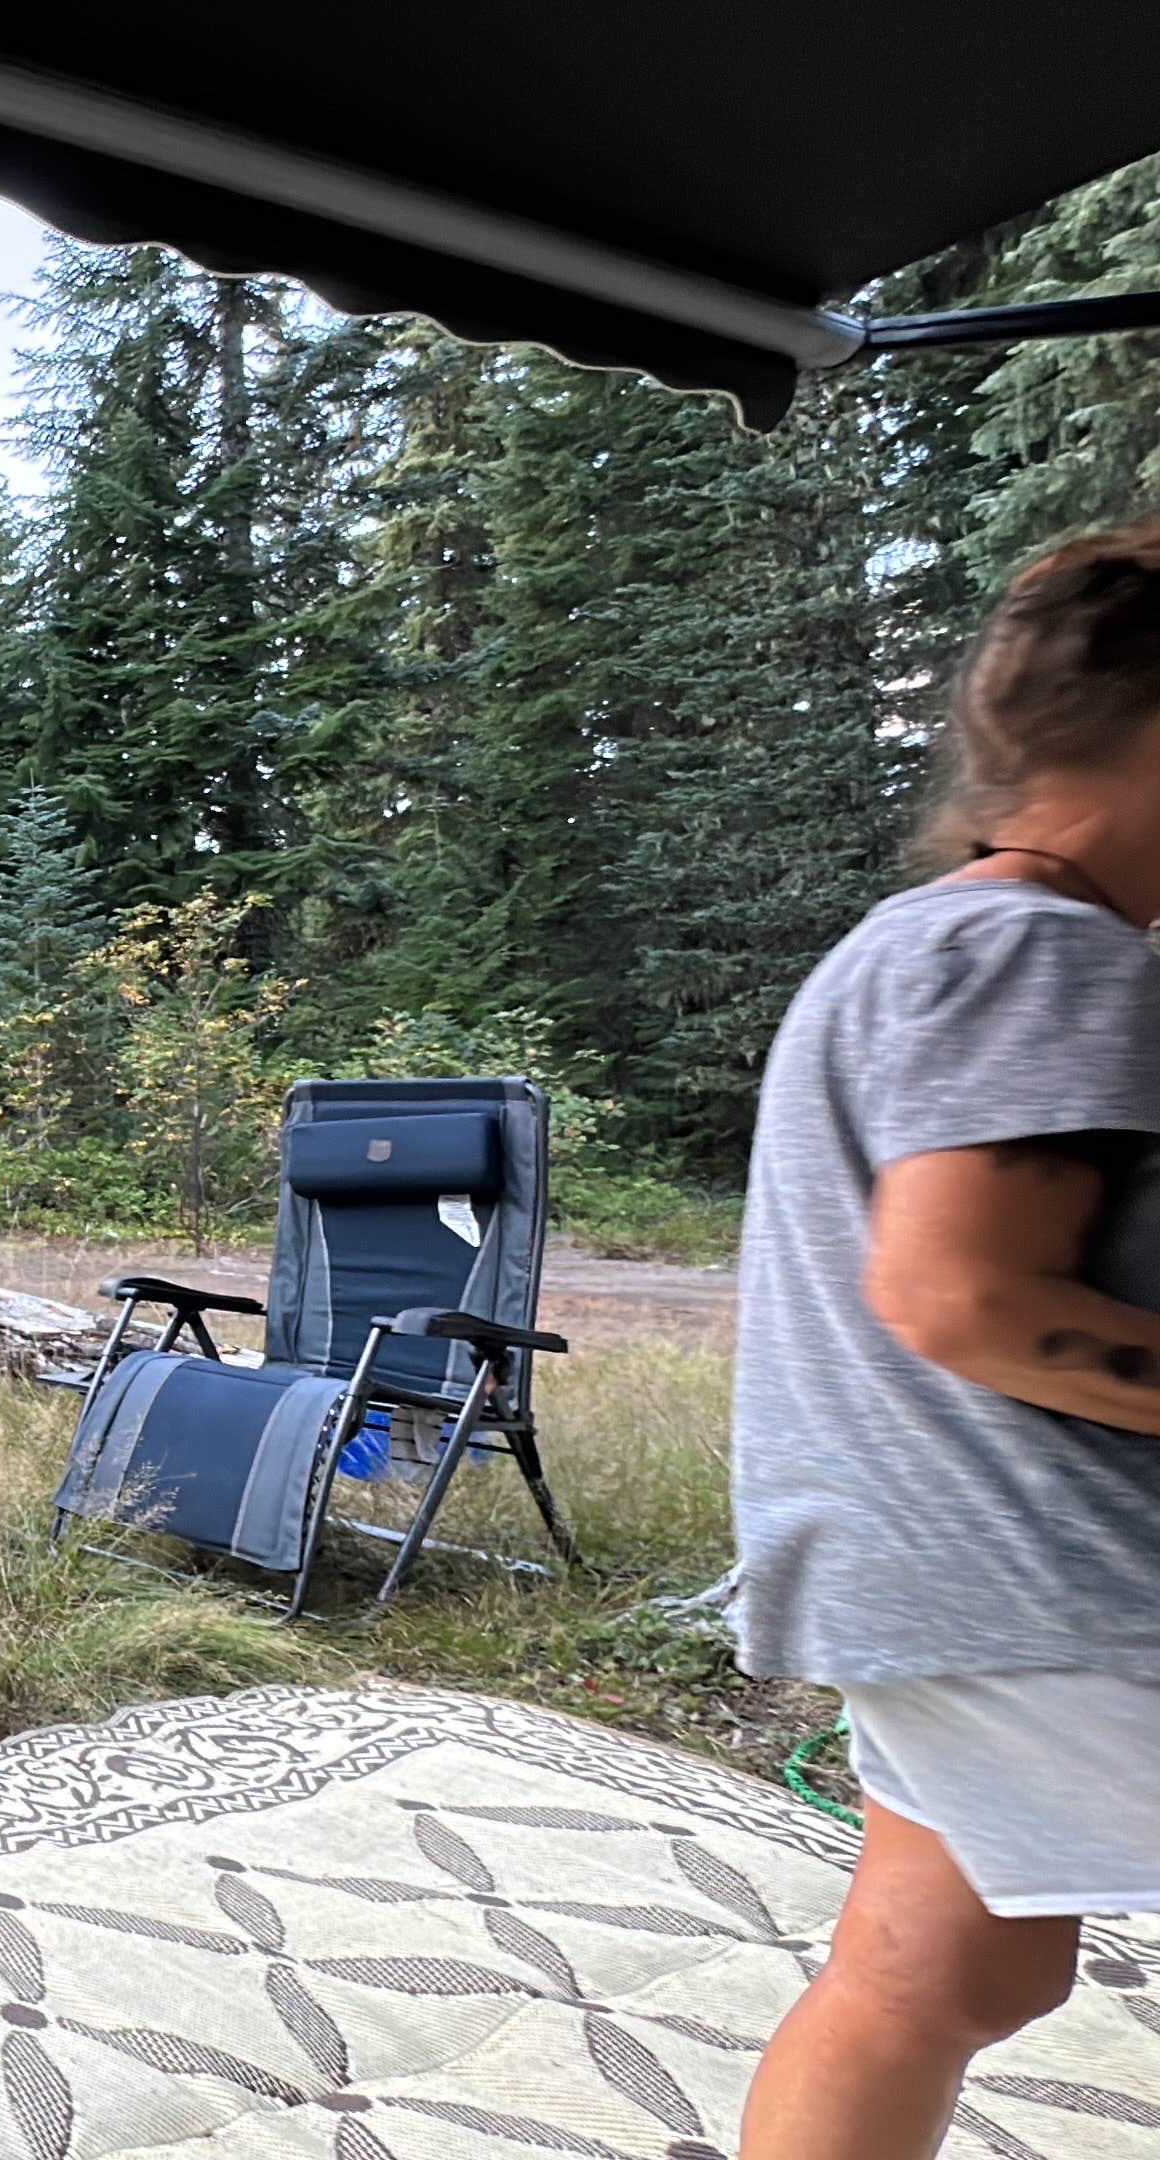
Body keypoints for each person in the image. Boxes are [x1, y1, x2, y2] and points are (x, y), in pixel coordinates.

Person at [735, 516, 1160, 2160]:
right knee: (929, 1974)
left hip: (927, 1575)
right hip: (1067, 1582)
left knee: (939, 1971)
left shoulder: (920, 946)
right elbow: (961, 1295)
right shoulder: (1041, 946)